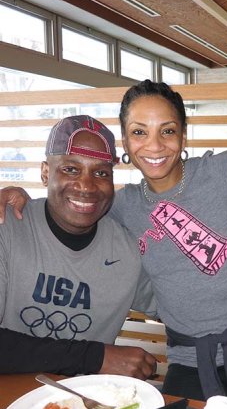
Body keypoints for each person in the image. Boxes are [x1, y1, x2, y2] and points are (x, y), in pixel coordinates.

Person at [0, 82, 227, 409]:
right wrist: (14, 195)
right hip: (186, 357)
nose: (154, 145)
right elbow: (68, 206)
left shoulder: (219, 170)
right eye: (139, 132)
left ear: (183, 134)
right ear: (125, 142)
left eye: (167, 130)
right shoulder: (120, 207)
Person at [0, 115, 157, 379]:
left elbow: (181, 305)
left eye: (101, 173)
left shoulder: (128, 250)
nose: (86, 186)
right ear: (45, 172)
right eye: (71, 169)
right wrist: (95, 358)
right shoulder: (8, 227)